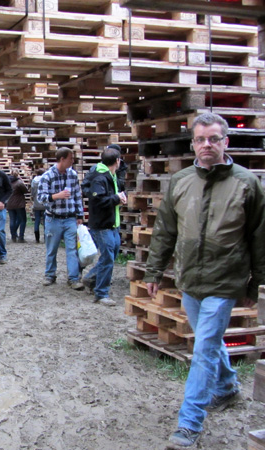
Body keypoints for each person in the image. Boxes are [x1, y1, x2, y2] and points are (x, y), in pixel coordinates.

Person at [144, 113, 265, 447]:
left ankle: (189, 423)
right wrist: (153, 271)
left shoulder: (247, 184)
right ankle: (227, 388)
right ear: (193, 143)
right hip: (189, 280)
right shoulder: (181, 182)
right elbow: (165, 230)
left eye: (213, 139)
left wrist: (257, 285)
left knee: (204, 349)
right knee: (208, 343)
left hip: (225, 281)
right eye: (200, 139)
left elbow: (259, 237)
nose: (206, 145)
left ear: (226, 142)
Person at [82, 147, 127, 307]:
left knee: (112, 255)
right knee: (108, 257)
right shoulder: (100, 178)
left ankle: (91, 278)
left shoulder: (112, 176)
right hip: (102, 225)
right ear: (117, 161)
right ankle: (101, 293)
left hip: (112, 223)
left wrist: (119, 197)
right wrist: (116, 198)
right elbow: (97, 201)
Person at [37, 148, 84, 289]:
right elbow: (40, 198)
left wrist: (80, 215)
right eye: (71, 158)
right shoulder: (47, 176)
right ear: (62, 159)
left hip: (70, 218)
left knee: (72, 249)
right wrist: (56, 196)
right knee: (52, 249)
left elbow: (77, 196)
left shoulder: (73, 175)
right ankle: (50, 275)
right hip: (53, 218)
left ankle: (73, 278)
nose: (73, 161)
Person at [6, 170, 28, 243]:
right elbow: (26, 190)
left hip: (9, 203)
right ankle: (21, 237)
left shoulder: (7, 182)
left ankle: (13, 236)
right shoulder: (19, 182)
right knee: (23, 220)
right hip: (19, 204)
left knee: (12, 220)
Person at [30, 168, 46, 243]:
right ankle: (46, 237)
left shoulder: (34, 181)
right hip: (45, 204)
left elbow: (32, 193)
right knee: (46, 221)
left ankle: (37, 238)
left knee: (37, 220)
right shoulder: (45, 180)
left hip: (36, 204)